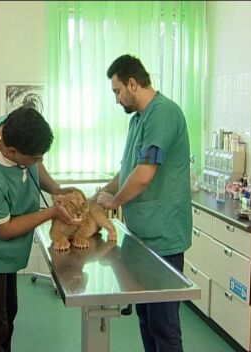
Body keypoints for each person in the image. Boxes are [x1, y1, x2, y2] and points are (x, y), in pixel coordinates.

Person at [0, 107, 77, 352]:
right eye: (34, 158)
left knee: (8, 314)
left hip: (3, 253)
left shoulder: (8, 126)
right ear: (10, 151)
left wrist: (55, 189)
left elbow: (34, 164)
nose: (38, 162)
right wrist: (50, 212)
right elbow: (4, 229)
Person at [95, 54, 192, 352]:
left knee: (163, 323)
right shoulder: (138, 120)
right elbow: (128, 171)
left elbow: (144, 175)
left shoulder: (163, 114)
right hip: (141, 237)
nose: (116, 99)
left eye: (117, 91)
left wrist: (113, 201)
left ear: (133, 84)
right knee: (145, 317)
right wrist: (96, 197)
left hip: (163, 238)